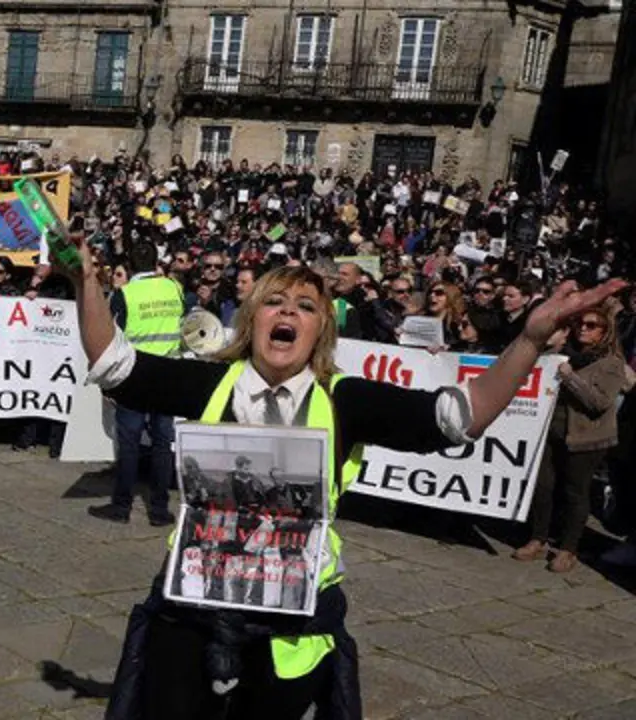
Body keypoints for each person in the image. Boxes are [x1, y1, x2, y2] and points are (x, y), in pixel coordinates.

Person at [50, 227, 623, 719]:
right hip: (193, 605)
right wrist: (85, 283)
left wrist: (527, 338)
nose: (288, 313)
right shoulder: (208, 385)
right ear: (251, 321)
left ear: (321, 329)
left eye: (304, 306)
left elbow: (459, 417)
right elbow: (113, 364)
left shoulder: (346, 401)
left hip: (293, 623)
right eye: (275, 302)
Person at [513, 308, 627, 573]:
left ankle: (568, 548)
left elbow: (598, 402)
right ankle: (538, 537)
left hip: (587, 437)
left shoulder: (611, 363)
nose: (583, 329)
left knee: (575, 491)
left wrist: (570, 378)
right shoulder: (563, 355)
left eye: (591, 325)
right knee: (543, 486)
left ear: (604, 331)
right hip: (552, 431)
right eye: (579, 324)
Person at [89, 241, 184, 527]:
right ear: (157, 261)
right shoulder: (174, 288)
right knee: (162, 441)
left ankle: (121, 506)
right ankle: (159, 509)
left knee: (129, 442)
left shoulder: (124, 295)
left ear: (129, 265)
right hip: (167, 371)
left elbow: (111, 338)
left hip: (135, 372)